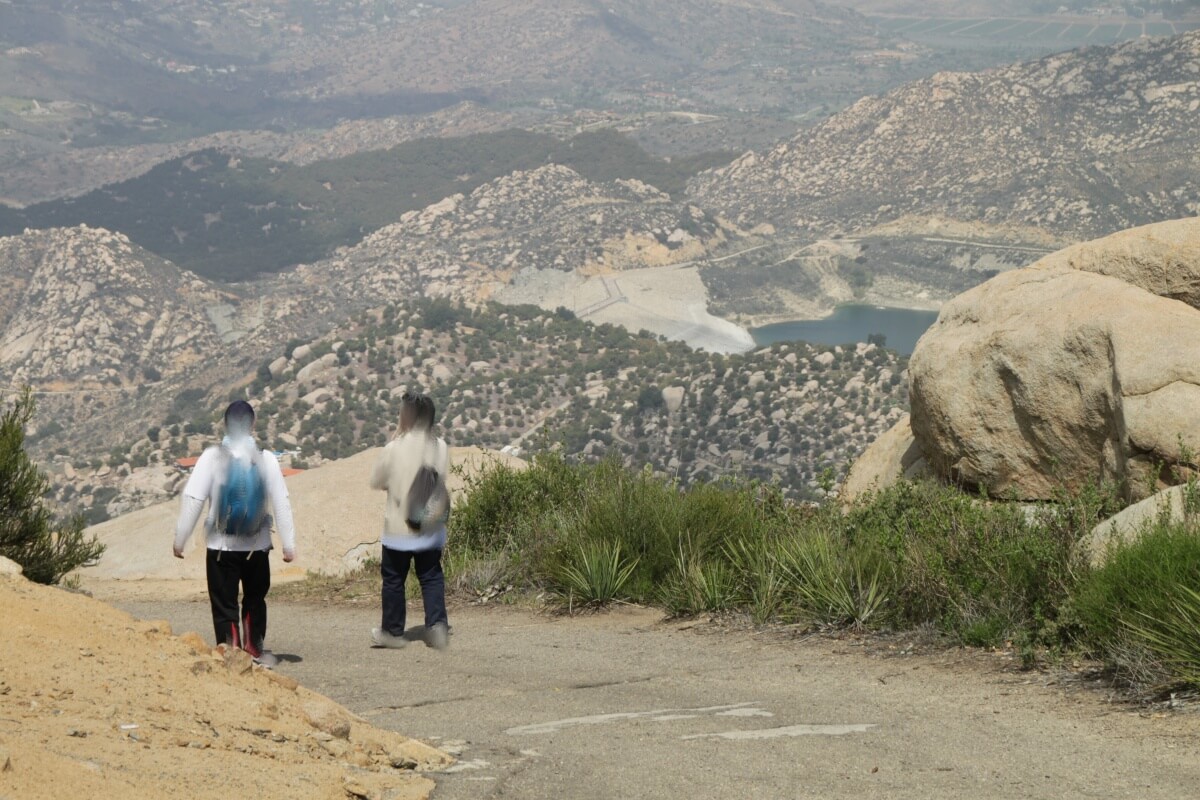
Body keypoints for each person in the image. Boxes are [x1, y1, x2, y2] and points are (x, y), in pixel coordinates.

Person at [173, 400, 296, 662]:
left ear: (225, 425)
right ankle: (254, 649)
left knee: (224, 605)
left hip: (221, 548)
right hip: (257, 547)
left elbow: (193, 499)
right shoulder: (266, 459)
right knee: (254, 600)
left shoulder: (211, 457)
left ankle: (230, 652)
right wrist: (289, 545)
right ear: (252, 424)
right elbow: (282, 502)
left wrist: (180, 540)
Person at [369, 391, 450, 650]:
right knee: (431, 576)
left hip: (398, 530)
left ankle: (392, 632)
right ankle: (437, 627)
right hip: (429, 526)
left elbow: (376, 481)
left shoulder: (394, 449)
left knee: (394, 579)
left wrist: (396, 437)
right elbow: (440, 480)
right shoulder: (440, 446)